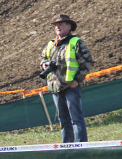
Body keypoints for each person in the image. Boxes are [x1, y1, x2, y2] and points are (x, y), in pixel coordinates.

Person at [39, 14, 94, 143]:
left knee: (76, 119)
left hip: (70, 86)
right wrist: (44, 64)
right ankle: (67, 147)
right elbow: (43, 59)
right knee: (63, 121)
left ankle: (80, 146)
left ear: (69, 27)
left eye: (61, 24)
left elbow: (87, 63)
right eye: (56, 25)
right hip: (55, 87)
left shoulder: (76, 42)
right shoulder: (51, 44)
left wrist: (76, 81)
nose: (58, 27)